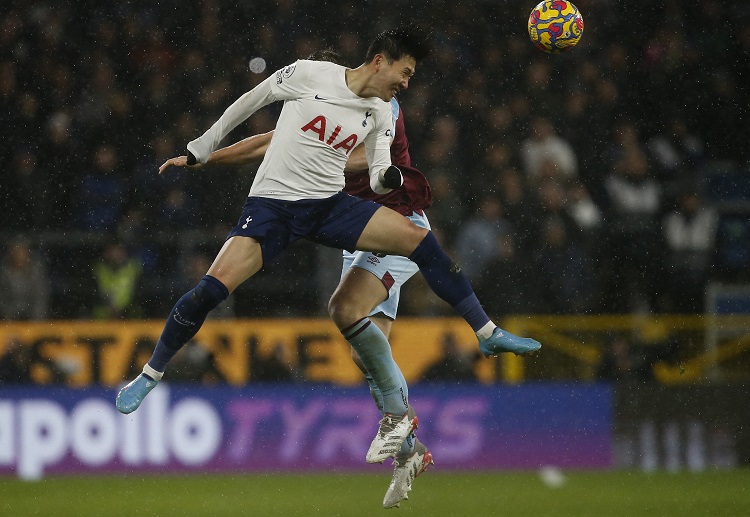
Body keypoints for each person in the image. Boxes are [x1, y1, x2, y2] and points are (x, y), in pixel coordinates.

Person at [116, 26, 539, 475]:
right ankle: (150, 374)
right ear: (380, 60)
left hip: (333, 207)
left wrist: (386, 177)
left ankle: (484, 333)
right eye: (406, 72)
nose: (407, 84)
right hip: (274, 210)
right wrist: (202, 151)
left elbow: (377, 169)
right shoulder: (308, 76)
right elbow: (254, 112)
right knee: (210, 292)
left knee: (416, 244)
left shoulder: (382, 110)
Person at [158, 54, 434, 506]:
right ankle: (409, 449)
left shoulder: (380, 105)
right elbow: (263, 144)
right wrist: (202, 160)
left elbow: (367, 159)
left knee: (349, 317)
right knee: (363, 354)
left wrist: (315, 156)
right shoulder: (318, 113)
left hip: (395, 223)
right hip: (358, 236)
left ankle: (403, 427)